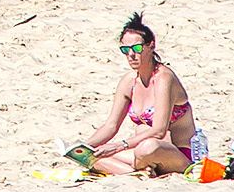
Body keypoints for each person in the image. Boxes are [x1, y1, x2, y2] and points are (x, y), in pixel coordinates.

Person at [72, 13, 199, 176]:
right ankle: (139, 172)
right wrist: (82, 147)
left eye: (137, 48)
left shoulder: (164, 78)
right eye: (125, 50)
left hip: (175, 155)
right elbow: (111, 126)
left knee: (147, 148)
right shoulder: (129, 81)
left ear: (151, 46)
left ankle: (134, 170)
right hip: (140, 152)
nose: (131, 55)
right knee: (95, 154)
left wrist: (119, 146)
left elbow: (159, 130)